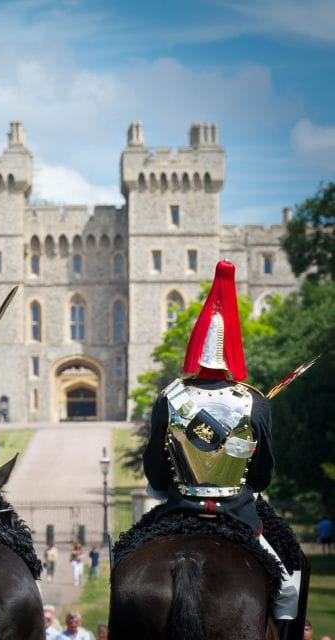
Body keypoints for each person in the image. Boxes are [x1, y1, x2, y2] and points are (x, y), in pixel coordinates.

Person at [142, 261, 302, 640]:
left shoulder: (170, 398)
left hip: (178, 508)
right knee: (289, 580)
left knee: (125, 560)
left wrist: (167, 485)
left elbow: (155, 469)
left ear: (195, 350)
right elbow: (262, 475)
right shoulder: (254, 402)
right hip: (239, 513)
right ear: (232, 353)